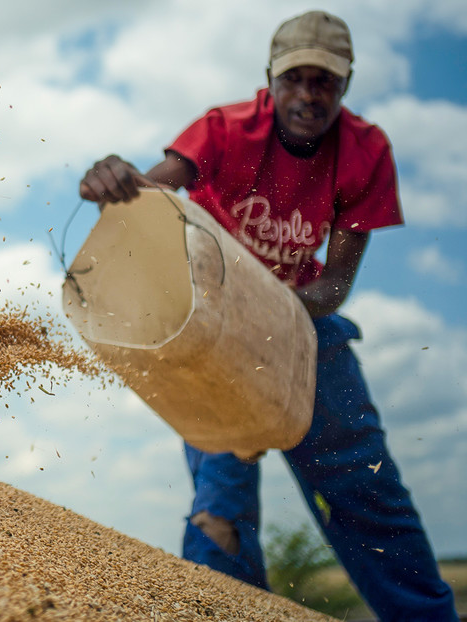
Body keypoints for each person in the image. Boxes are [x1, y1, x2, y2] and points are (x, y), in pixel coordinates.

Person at [78, 10, 458, 621]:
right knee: (220, 506)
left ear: (346, 84)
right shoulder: (227, 130)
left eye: (325, 82)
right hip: (214, 339)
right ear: (271, 80)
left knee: (366, 491)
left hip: (306, 330)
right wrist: (117, 179)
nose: (309, 95)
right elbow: (154, 195)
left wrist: (269, 313)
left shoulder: (365, 151)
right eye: (295, 79)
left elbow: (334, 284)